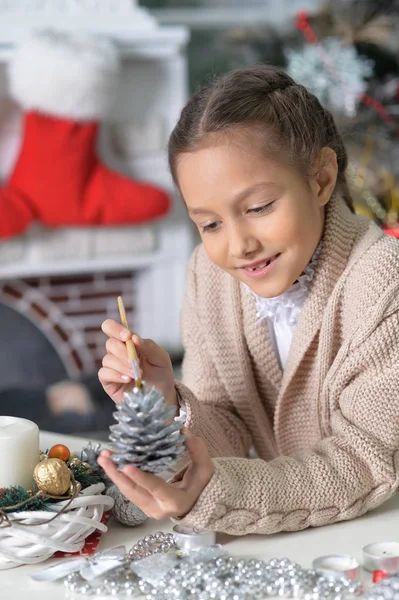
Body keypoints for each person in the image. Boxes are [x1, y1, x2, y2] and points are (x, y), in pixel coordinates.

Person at [97, 65, 399, 536]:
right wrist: (166, 400)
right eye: (210, 224)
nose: (238, 246)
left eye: (258, 208)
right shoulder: (209, 275)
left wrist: (218, 490)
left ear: (320, 180)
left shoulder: (383, 282)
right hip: (302, 533)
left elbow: (363, 459)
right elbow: (226, 424)